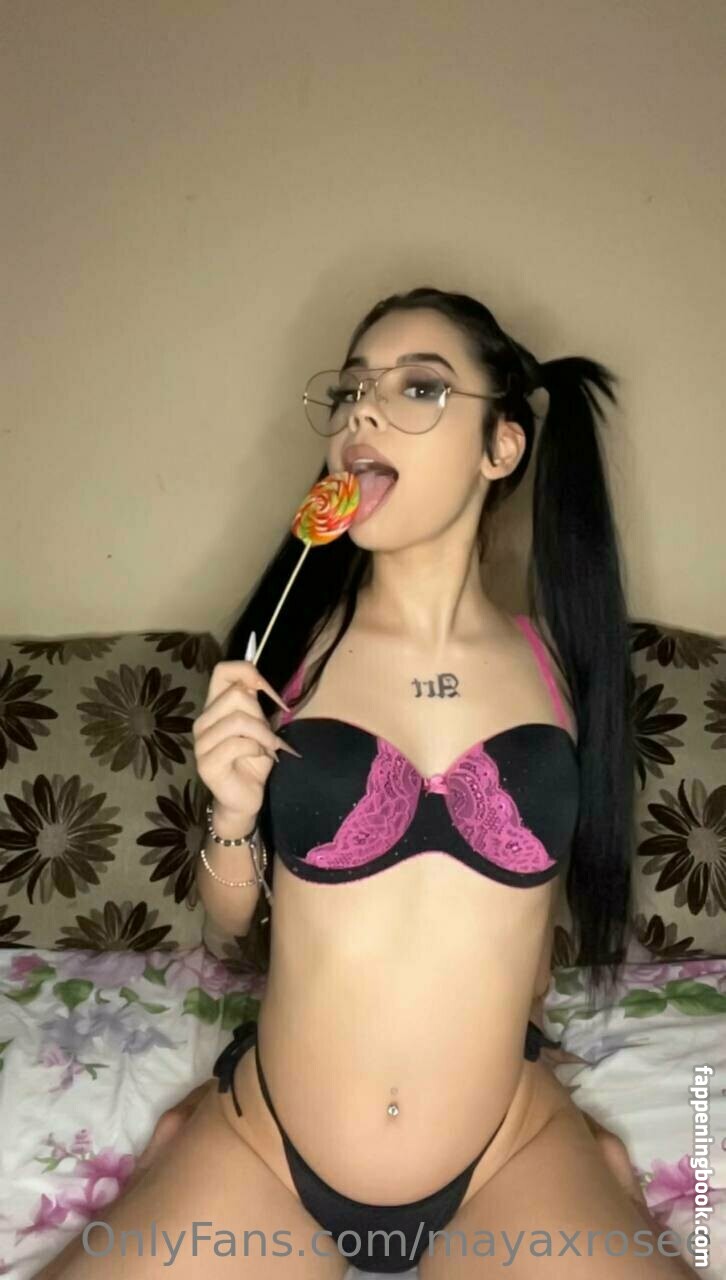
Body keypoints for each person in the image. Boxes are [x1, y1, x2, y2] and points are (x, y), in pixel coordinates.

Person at [39, 287, 695, 1277]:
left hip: (503, 1151)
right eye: (351, 391)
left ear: (501, 446)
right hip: (272, 1148)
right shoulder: (285, 657)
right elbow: (230, 926)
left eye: (417, 387)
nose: (364, 414)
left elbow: (532, 918)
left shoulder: (559, 669)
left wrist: (561, 1103)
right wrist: (231, 811)